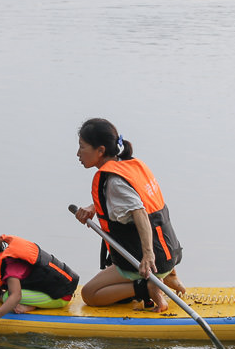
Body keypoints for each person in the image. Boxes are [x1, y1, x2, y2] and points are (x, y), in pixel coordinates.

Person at [72, 118, 185, 312]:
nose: (78, 154)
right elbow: (133, 202)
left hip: (149, 260)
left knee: (90, 294)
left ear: (100, 150)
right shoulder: (130, 165)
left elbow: (140, 212)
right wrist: (93, 208)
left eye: (82, 147)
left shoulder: (114, 181)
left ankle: (149, 287)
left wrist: (148, 256)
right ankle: (169, 276)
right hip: (170, 252)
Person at [0, 235, 79, 333]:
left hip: (60, 297)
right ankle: (5, 297)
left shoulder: (11, 266)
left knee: (9, 297)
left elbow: (16, 296)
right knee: (10, 294)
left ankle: (28, 305)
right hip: (55, 288)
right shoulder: (7, 260)